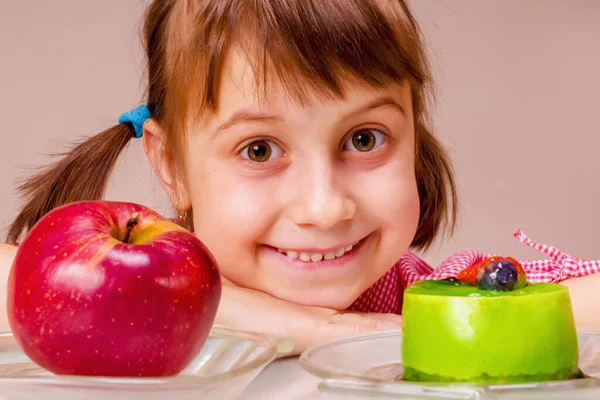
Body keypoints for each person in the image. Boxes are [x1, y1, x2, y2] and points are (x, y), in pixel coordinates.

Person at [1, 0, 599, 355]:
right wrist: (311, 329)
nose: (324, 207)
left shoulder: (431, 298)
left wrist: (387, 334)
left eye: (364, 139)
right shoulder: (124, 296)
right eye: (259, 149)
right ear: (170, 166)